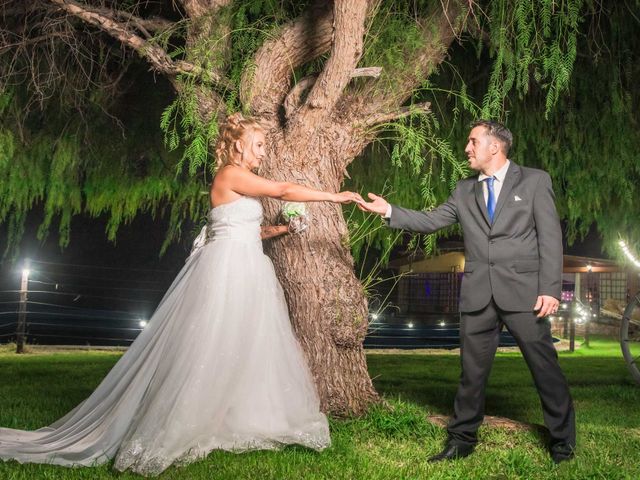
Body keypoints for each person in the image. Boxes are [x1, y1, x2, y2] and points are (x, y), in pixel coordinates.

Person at [0, 112, 363, 476]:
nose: (263, 151)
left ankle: (225, 414)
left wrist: (284, 227)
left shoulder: (237, 179)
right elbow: (283, 190)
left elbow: (243, 230)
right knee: (213, 341)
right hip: (230, 271)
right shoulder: (231, 174)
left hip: (246, 264)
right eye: (260, 144)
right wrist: (335, 196)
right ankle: (184, 420)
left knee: (242, 341)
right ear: (239, 144)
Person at [358, 120, 576, 464]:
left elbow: (550, 238)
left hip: (525, 294)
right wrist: (389, 211)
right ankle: (461, 439)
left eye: (473, 141)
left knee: (544, 368)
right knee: (471, 372)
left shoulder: (535, 181)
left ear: (495, 147)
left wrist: (550, 289)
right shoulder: (464, 191)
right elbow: (431, 220)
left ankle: (563, 441)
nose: (467, 148)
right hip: (478, 294)